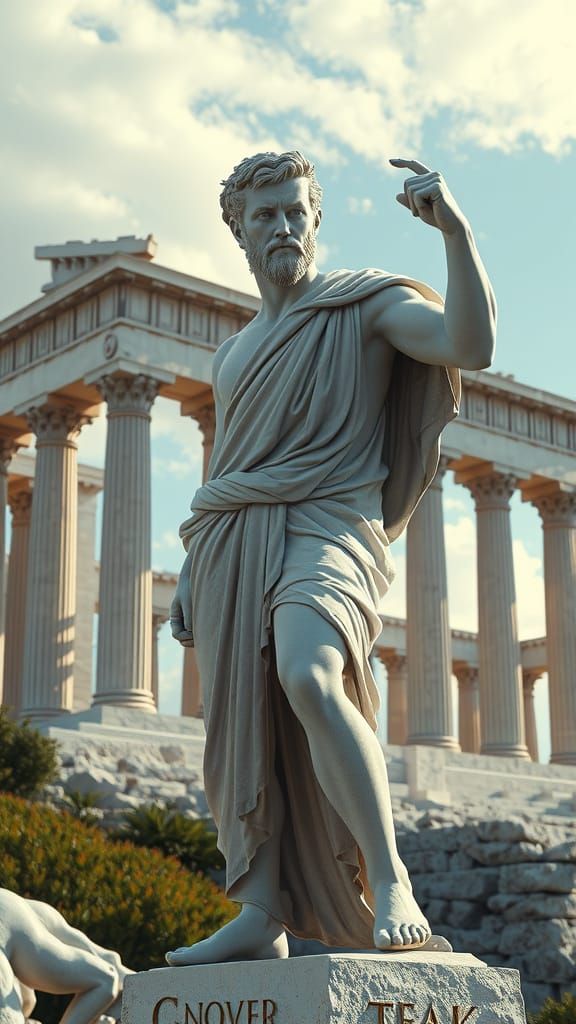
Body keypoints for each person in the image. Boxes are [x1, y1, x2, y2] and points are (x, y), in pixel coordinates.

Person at [167, 151, 496, 966]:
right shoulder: (234, 354)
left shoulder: (366, 303)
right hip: (235, 541)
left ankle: (388, 879)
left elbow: (468, 344)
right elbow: (232, 468)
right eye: (265, 214)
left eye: (295, 211)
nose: (282, 226)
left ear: (316, 218)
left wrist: (456, 231)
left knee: (309, 676)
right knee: (250, 726)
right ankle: (261, 908)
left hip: (331, 524)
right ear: (238, 231)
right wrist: (190, 565)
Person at [0, 889, 132, 1024]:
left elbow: (106, 980)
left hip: (14, 919)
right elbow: (28, 1002)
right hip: (11, 906)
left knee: (105, 979)